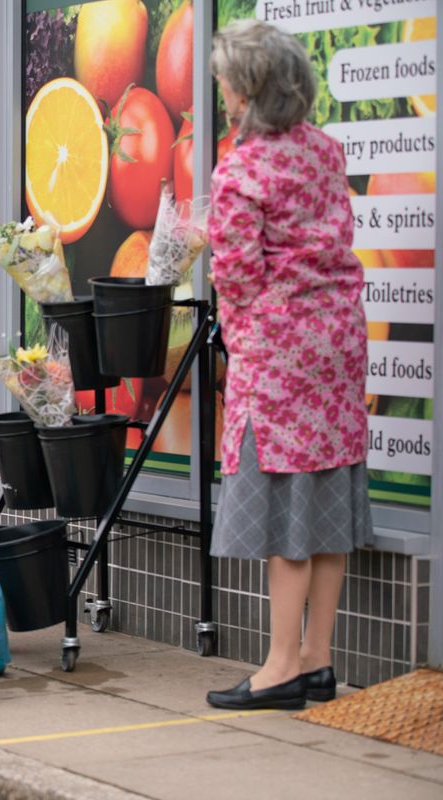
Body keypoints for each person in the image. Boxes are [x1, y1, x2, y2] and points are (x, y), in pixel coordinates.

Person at [204, 20, 373, 711]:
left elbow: (238, 274)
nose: (218, 90)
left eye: (224, 80)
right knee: (327, 493)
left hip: (280, 352)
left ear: (246, 91)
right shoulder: (326, 152)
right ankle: (317, 660)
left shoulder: (242, 168)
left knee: (287, 512)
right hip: (338, 341)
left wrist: (243, 340)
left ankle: (278, 668)